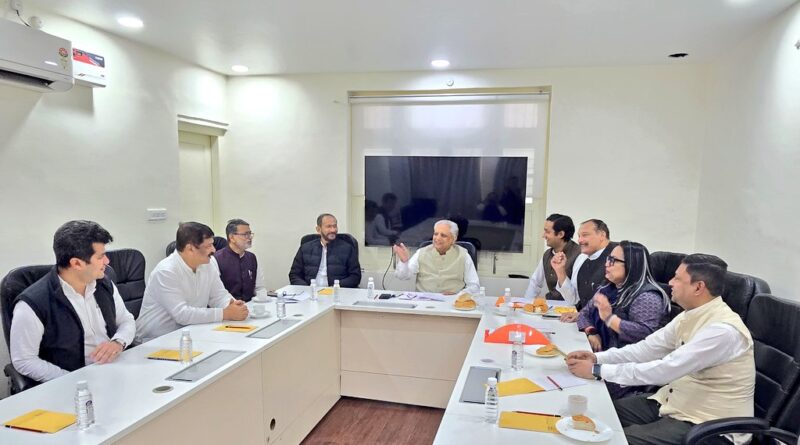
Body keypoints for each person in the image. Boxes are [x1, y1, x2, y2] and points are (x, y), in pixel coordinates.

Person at [566, 254, 754, 445]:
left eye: (677, 278)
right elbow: (645, 349)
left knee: (614, 440)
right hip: (673, 402)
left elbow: (664, 370)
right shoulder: (689, 316)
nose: (670, 282)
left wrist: (597, 371)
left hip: (707, 424)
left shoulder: (723, 331)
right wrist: (597, 358)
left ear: (698, 287)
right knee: (598, 414)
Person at [10, 220, 136, 383]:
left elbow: (126, 320)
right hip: (70, 383)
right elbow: (24, 360)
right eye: (100, 257)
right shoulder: (32, 304)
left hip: (115, 371)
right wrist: (72, 380)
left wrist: (118, 342)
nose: (107, 261)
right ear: (76, 263)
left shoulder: (104, 284)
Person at [573, 240, 670, 398]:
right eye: (608, 259)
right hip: (601, 356)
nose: (607, 264)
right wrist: (591, 331)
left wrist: (610, 319)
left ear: (632, 265)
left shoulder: (647, 297)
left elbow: (645, 335)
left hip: (625, 371)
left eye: (613, 260)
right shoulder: (608, 288)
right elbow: (584, 313)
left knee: (575, 389)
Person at [136, 222, 248, 343]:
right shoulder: (166, 271)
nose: (214, 250)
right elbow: (182, 314)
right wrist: (225, 313)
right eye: (208, 246)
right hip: (154, 340)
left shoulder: (208, 263)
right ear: (190, 248)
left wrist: (234, 306)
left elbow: (219, 296)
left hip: (191, 333)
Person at [393, 219, 480, 294]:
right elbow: (402, 276)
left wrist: (459, 294)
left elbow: (474, 286)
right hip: (423, 301)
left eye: (443, 235)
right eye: (436, 234)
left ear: (453, 239)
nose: (437, 238)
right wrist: (404, 262)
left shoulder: (464, 255)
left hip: (452, 302)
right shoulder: (421, 253)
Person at [552, 219, 617, 310]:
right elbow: (574, 299)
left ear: (602, 235)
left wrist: (584, 315)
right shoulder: (582, 259)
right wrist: (560, 271)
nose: (579, 240)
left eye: (585, 235)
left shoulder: (620, 255)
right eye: (579, 236)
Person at [289, 213, 361, 287]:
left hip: (336, 291)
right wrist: (306, 289)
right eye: (328, 226)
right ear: (318, 229)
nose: (333, 230)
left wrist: (336, 286)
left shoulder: (347, 249)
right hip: (310, 291)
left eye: (335, 226)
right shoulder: (305, 248)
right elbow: (294, 275)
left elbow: (355, 277)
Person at [523, 214, 581, 300]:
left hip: (571, 307)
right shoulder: (547, 254)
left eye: (547, 232)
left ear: (561, 234)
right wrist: (527, 303)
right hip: (551, 305)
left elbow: (575, 296)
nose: (543, 236)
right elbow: (535, 283)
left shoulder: (580, 255)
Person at [213, 218, 268, 302]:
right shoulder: (216, 259)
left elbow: (259, 287)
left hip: (251, 305)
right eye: (245, 234)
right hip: (227, 306)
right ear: (232, 237)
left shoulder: (252, 257)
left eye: (250, 234)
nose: (249, 238)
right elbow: (216, 293)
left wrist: (262, 298)